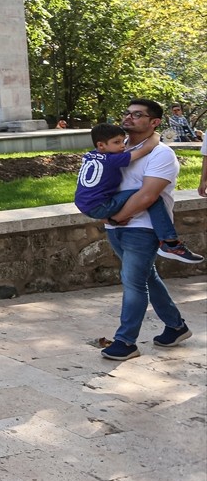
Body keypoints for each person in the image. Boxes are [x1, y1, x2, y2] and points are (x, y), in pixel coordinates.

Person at [98, 100, 194, 361]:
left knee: (133, 283)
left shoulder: (161, 154)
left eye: (137, 115)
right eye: (127, 113)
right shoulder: (119, 147)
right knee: (147, 277)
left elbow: (148, 196)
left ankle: (126, 341)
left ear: (154, 122)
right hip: (115, 226)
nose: (128, 118)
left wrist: (117, 217)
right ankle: (176, 326)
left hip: (142, 228)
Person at [75, 125, 202, 263]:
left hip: (84, 203)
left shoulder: (90, 155)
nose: (123, 146)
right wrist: (155, 135)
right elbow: (146, 149)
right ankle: (169, 242)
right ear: (101, 145)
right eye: (117, 142)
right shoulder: (112, 160)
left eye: (123, 141)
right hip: (100, 206)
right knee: (149, 195)